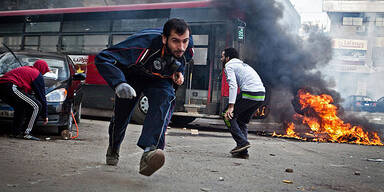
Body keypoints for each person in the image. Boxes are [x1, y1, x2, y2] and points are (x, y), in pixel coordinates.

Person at [95, 18, 193, 176]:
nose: (181, 47)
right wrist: (119, 83)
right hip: (133, 75)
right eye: (175, 41)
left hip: (158, 79)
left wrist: (178, 71)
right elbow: (103, 58)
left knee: (166, 97)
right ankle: (113, 148)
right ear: (164, 38)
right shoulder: (141, 44)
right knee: (121, 118)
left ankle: (150, 151)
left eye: (185, 41)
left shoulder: (187, 47)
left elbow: (182, 60)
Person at [221, 48, 265, 159]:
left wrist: (231, 106)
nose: (221, 59)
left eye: (222, 56)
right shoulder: (243, 65)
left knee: (226, 115)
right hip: (261, 95)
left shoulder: (229, 65)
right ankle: (243, 152)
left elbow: (233, 85)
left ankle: (242, 143)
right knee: (241, 121)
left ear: (227, 58)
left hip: (249, 93)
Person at [0, 59, 50, 141]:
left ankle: (16, 132)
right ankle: (27, 133)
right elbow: (41, 97)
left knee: (21, 106)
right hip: (10, 86)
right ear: (43, 69)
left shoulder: (28, 69)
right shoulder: (37, 74)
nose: (44, 73)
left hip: (2, 87)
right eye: (45, 71)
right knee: (37, 106)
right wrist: (45, 115)